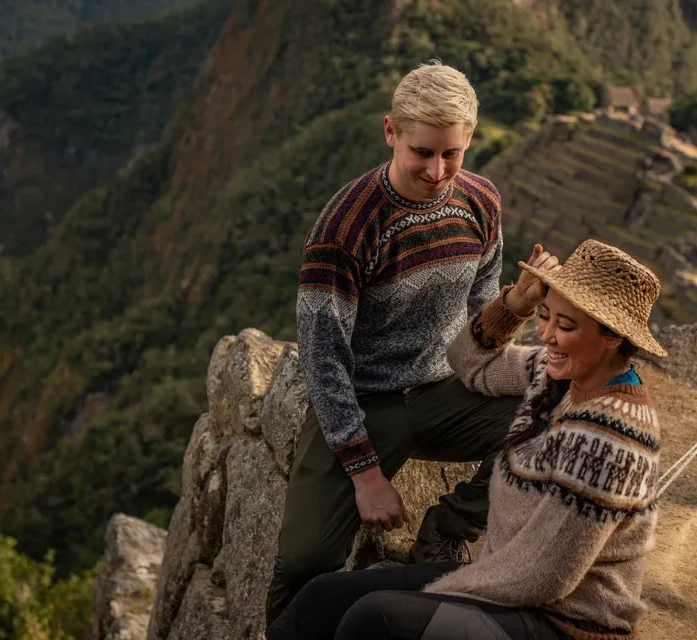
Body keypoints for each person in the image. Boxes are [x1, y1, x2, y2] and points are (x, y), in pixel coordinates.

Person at [263, 239, 667, 640]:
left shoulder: (610, 439)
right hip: (504, 579)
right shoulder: (555, 374)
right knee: (322, 597)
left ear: (612, 337)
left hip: (563, 621)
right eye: (546, 317)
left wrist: (443, 593)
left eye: (565, 326)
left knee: (375, 618)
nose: (546, 335)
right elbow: (469, 363)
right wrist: (514, 308)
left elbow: (547, 579)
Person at [265, 60, 524, 625]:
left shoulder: (481, 203)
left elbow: (478, 316)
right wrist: (366, 476)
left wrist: (513, 310)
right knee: (307, 559)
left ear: (469, 141)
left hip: (446, 388)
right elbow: (323, 358)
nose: (436, 170)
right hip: (366, 400)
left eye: (451, 153)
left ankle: (447, 530)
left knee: (552, 419)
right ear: (391, 133)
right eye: (422, 152)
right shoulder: (346, 226)